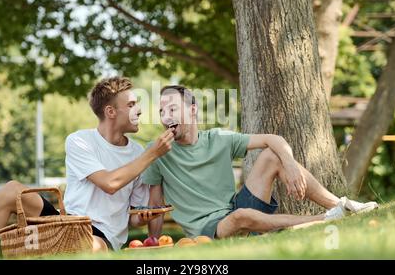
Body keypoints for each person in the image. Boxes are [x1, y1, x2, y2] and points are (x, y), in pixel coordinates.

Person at [0, 77, 173, 259]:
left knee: (91, 247)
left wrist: (142, 218)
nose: (139, 110)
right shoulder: (80, 141)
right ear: (110, 111)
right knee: (12, 190)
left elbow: (133, 217)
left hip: (102, 237)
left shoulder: (137, 153)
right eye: (131, 105)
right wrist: (152, 153)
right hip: (67, 223)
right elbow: (109, 183)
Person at [144, 85, 378, 239]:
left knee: (272, 155)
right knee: (239, 217)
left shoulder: (218, 139)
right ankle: (324, 219)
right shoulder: (157, 152)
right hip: (210, 230)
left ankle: (341, 204)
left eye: (173, 108)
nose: (167, 116)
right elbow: (156, 204)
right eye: (162, 111)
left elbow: (272, 139)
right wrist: (152, 242)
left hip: (235, 208)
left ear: (192, 110)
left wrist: (291, 166)